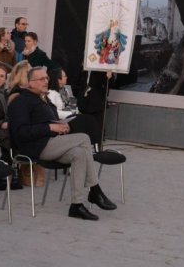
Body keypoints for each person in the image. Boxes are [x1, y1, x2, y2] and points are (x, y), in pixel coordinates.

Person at [8, 67, 116, 220]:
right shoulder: (20, 102)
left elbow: (50, 120)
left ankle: (76, 205)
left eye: (46, 78)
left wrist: (60, 126)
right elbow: (21, 132)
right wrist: (50, 127)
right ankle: (95, 189)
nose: (46, 81)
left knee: (79, 154)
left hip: (51, 142)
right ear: (30, 83)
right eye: (41, 79)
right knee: (84, 138)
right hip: (35, 148)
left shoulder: (43, 98)